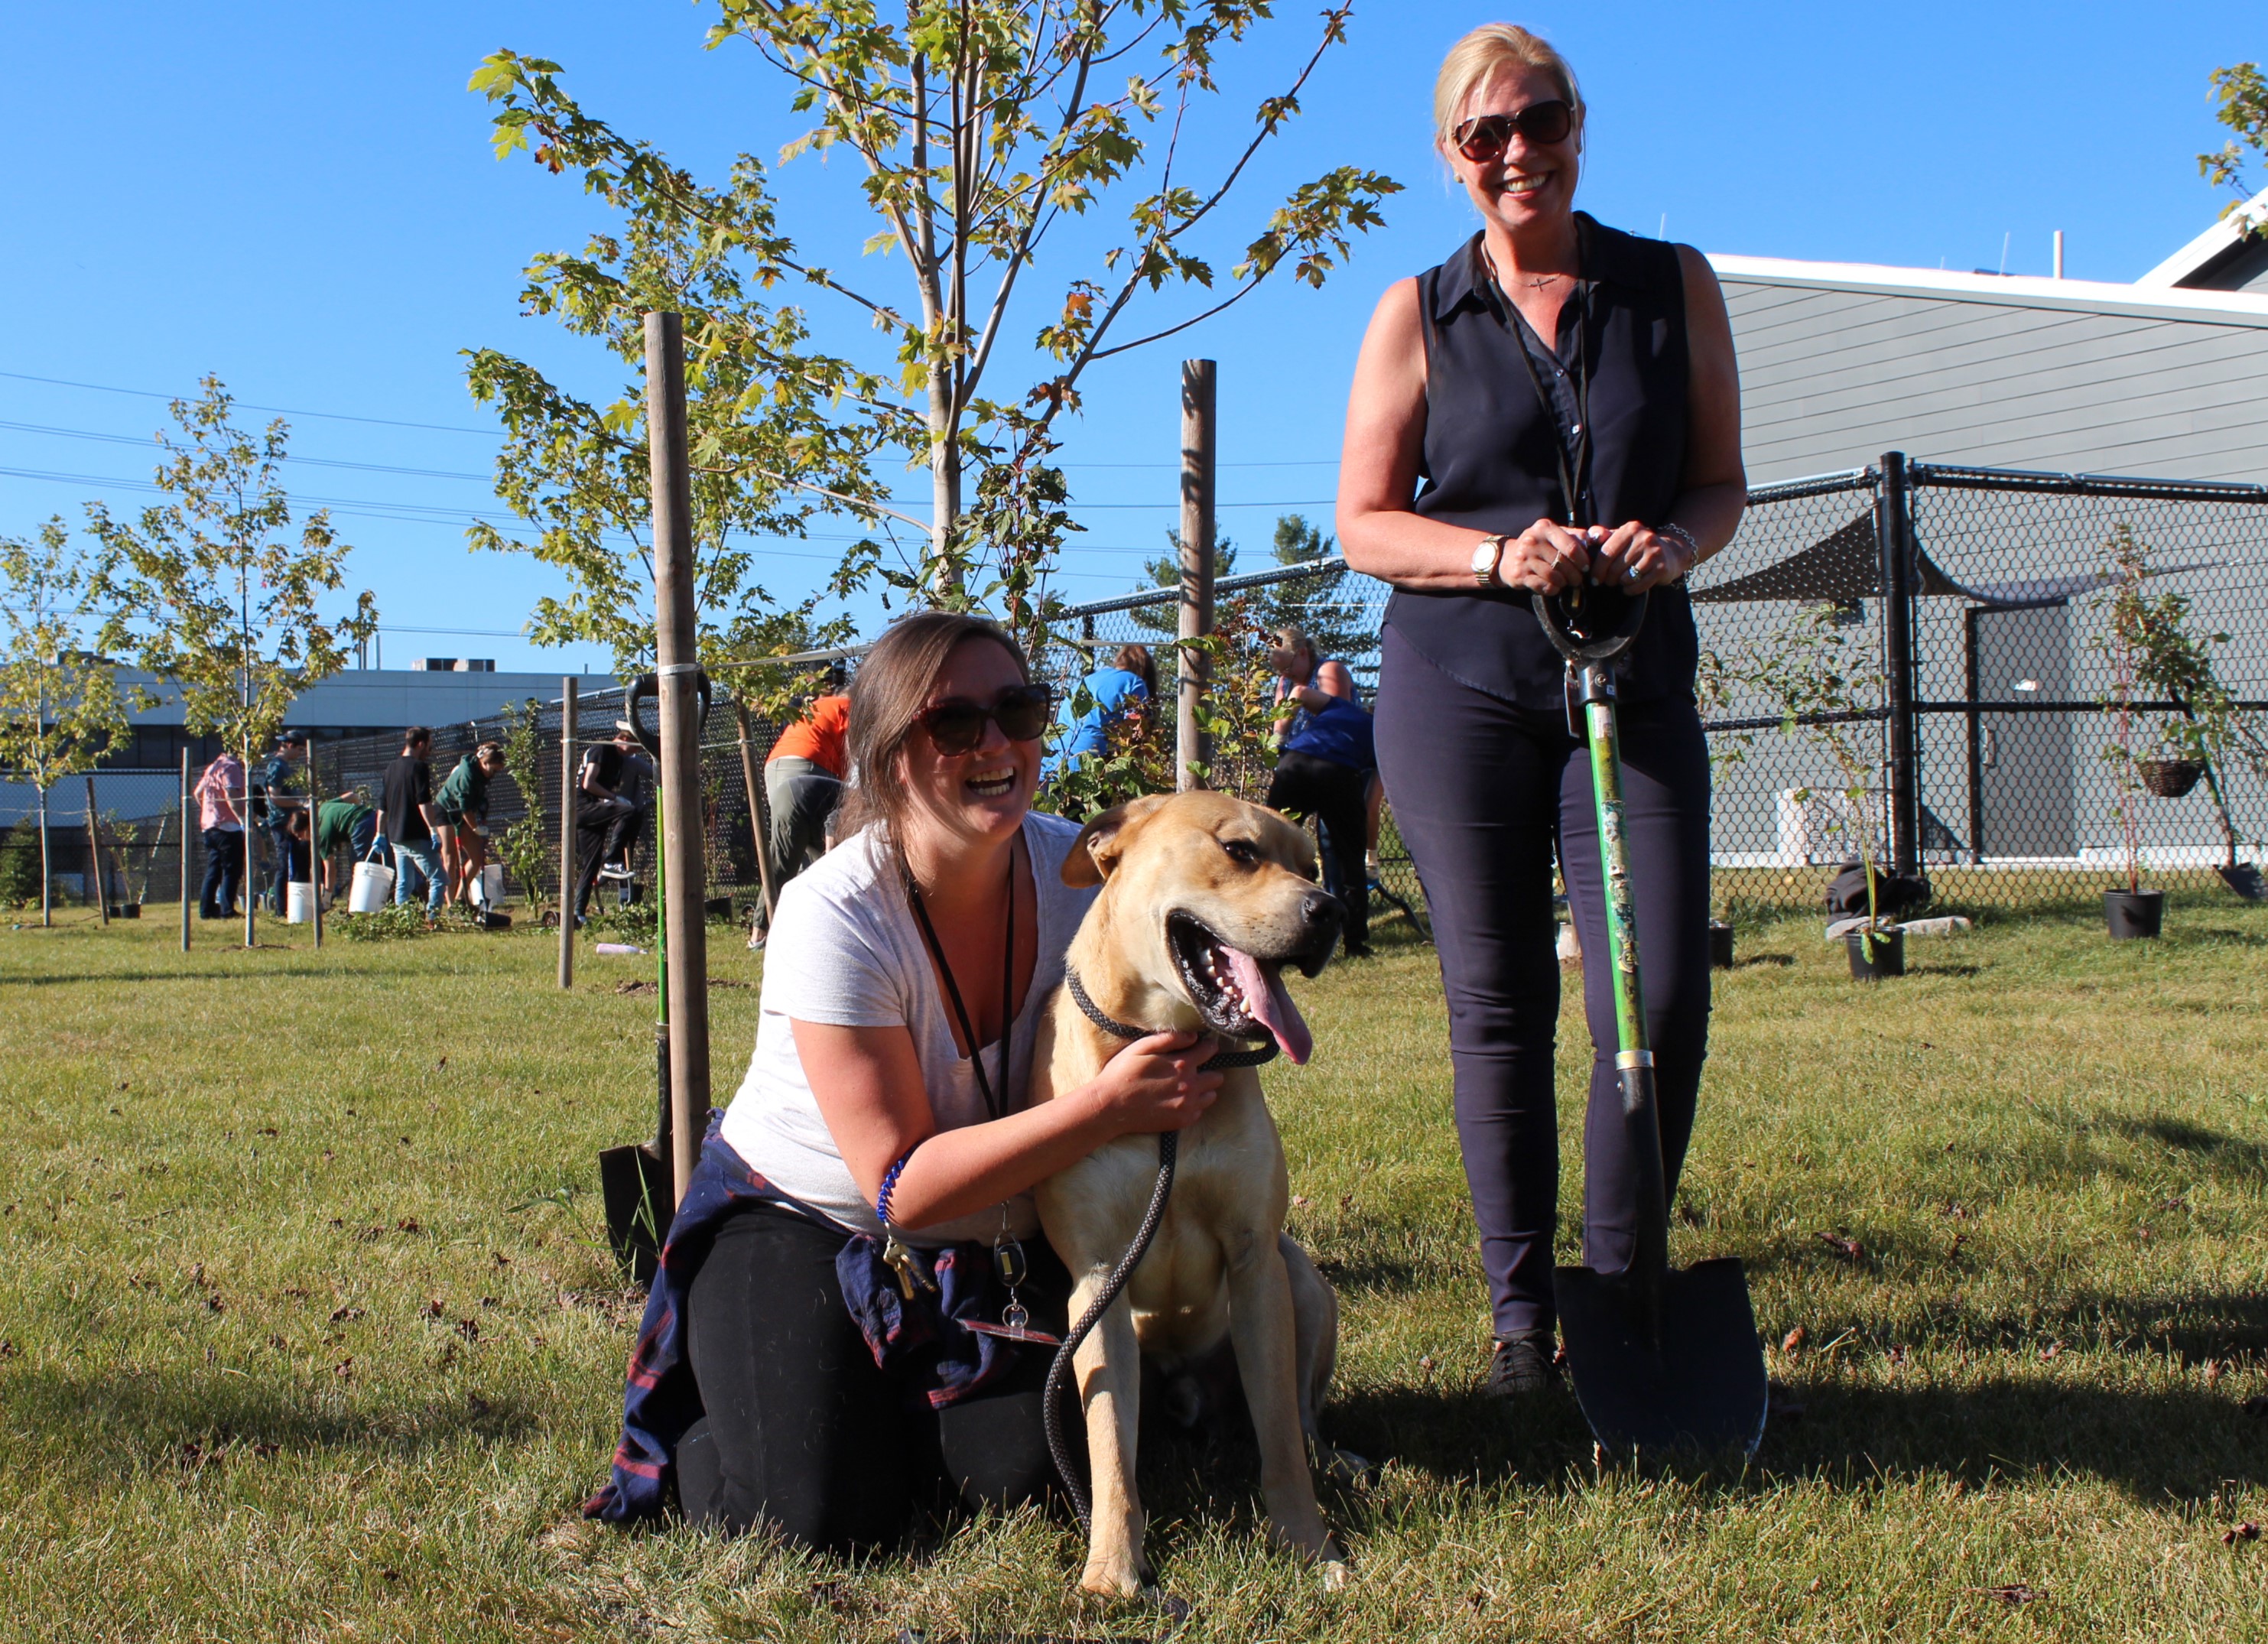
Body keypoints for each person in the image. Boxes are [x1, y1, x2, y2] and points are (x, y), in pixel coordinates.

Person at [588, 611, 1228, 1555]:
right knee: (816, 1517)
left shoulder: (1089, 877)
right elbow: (899, 1182)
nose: (997, 743)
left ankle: (882, 1400)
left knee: (1035, 1472)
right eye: (955, 724)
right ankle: (718, 1422)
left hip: (993, 1238)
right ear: (888, 759)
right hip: (807, 1216)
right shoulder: (833, 911)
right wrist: (1103, 1107)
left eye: (1018, 709)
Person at [1335, 24, 1745, 1395]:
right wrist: (1494, 553)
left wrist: (1673, 546)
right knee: (1497, 1003)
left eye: (1541, 120)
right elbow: (1364, 523)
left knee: (1659, 993)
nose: (1518, 151)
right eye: (1485, 134)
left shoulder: (1670, 286)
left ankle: (1624, 1303)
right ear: (1451, 160)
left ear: (1581, 126)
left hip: (1632, 690)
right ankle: (1521, 1323)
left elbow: (1718, 483)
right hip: (1461, 688)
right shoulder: (1417, 313)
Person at [1263, 658, 1375, 958]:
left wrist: (1280, 735)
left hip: (1295, 763)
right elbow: (1375, 792)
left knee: (1268, 846)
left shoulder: (1338, 707)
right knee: (1350, 858)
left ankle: (1267, 928)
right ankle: (1355, 943)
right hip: (1339, 774)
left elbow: (1299, 692)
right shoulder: (1379, 732)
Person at [765, 692, 850, 882]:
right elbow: (857, 757)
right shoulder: (849, 707)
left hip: (775, 765)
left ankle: (780, 907)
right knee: (822, 849)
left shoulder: (820, 706)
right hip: (809, 764)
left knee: (791, 849)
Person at [1041, 643, 1155, 781]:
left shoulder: (1088, 680)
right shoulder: (1134, 682)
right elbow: (1140, 733)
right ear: (1145, 671)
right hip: (1091, 770)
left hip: (1052, 769)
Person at [573, 726, 643, 922]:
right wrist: (614, 798)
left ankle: (578, 914)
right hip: (583, 807)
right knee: (629, 812)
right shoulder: (602, 749)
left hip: (594, 808)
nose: (635, 753)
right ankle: (611, 862)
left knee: (591, 863)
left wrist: (608, 801)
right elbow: (589, 783)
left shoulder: (619, 761)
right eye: (634, 747)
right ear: (623, 739)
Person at [379, 727, 447, 912]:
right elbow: (423, 801)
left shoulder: (390, 768)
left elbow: (382, 806)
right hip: (415, 834)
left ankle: (402, 917)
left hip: (395, 836)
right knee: (439, 879)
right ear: (421, 744)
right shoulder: (419, 767)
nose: (429, 752)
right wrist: (434, 830)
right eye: (429, 748)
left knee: (404, 882)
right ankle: (432, 918)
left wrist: (380, 833)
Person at [434, 742, 507, 907]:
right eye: (494, 770)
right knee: (450, 858)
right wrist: (475, 827)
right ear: (484, 762)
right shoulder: (468, 774)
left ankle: (461, 900)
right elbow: (464, 806)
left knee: (477, 856)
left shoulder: (483, 774)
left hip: (463, 813)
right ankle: (451, 904)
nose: (494, 774)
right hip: (447, 811)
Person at [251, 731, 308, 915]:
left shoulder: (284, 766)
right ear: (290, 745)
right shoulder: (276, 766)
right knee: (285, 864)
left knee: (298, 862)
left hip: (291, 821)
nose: (300, 754)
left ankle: (298, 906)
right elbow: (275, 797)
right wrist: (300, 803)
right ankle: (281, 909)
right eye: (299, 749)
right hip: (282, 822)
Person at [192, 750, 246, 920]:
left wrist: (210, 810)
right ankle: (227, 910)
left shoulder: (213, 767)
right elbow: (231, 794)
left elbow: (197, 793)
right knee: (232, 870)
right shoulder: (231, 767)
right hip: (228, 827)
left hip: (209, 826)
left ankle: (206, 910)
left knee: (214, 870)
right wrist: (243, 819)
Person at [315, 791, 379, 900]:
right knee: (380, 861)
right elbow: (351, 795)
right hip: (373, 816)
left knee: (360, 869)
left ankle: (358, 906)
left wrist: (326, 898)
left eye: (300, 836)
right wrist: (359, 810)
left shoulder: (321, 834)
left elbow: (331, 869)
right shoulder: (324, 807)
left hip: (360, 827)